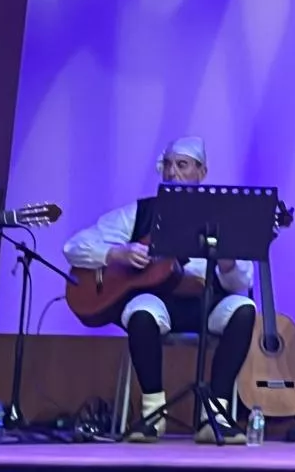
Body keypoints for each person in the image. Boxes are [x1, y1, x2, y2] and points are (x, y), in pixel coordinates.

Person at [62, 137, 257, 443]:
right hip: (159, 302)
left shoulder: (221, 217)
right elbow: (74, 247)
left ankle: (215, 417)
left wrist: (228, 262)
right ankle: (153, 415)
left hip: (205, 305)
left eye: (182, 165)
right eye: (168, 165)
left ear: (201, 172)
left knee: (244, 310)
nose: (172, 173)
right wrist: (117, 254)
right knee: (140, 311)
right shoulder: (140, 213)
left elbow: (241, 283)